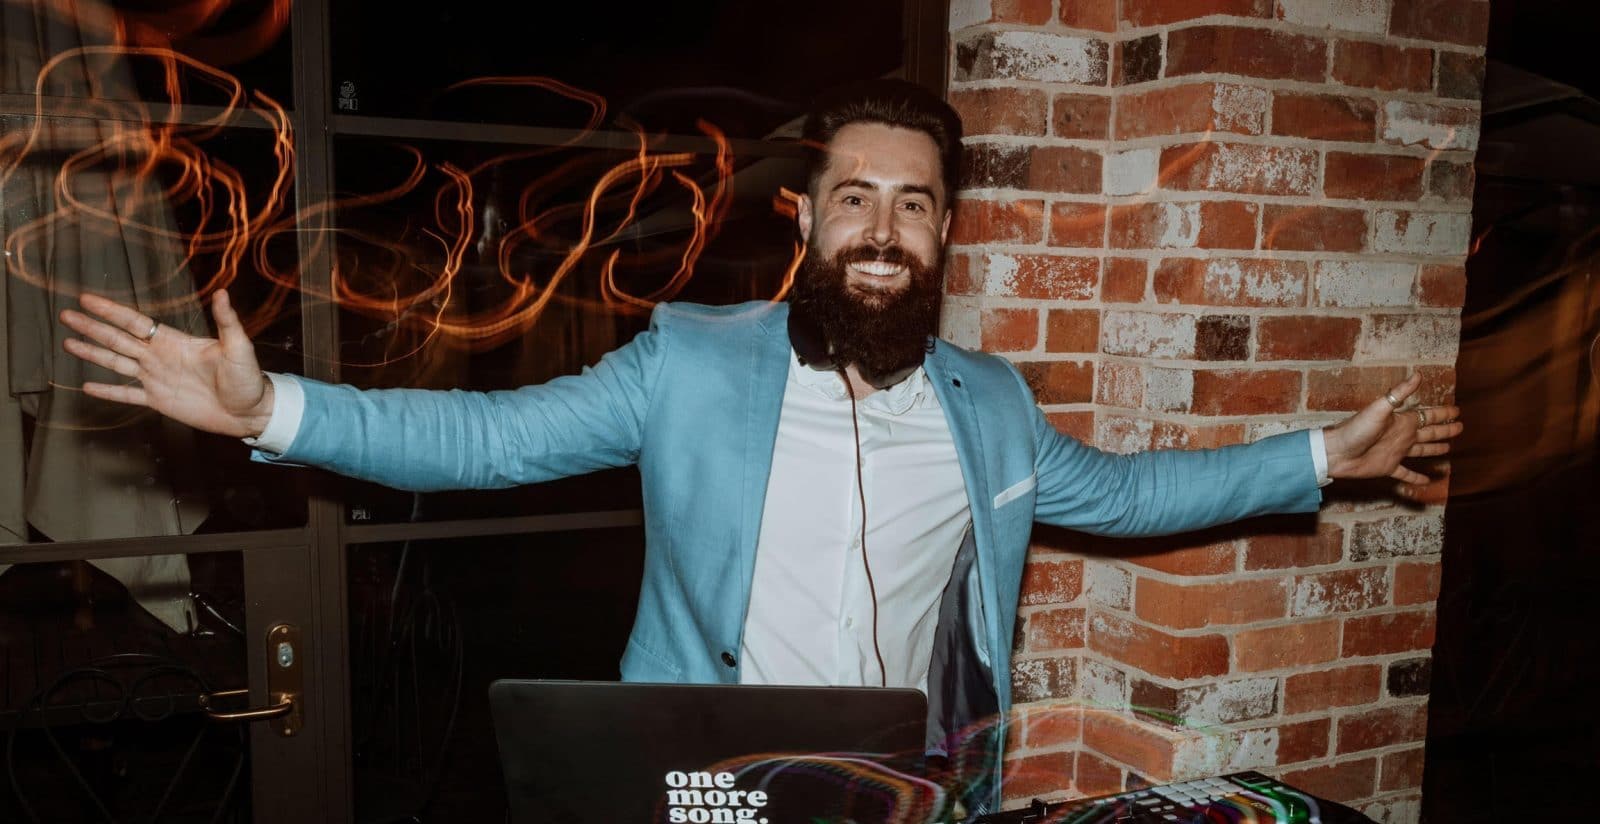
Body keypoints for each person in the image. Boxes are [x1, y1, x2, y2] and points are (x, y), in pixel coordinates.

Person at [57, 79, 1460, 815]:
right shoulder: (689, 363)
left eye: (915, 205)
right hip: (709, 781)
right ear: (803, 220)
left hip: (912, 790)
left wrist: (1326, 454)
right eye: (856, 198)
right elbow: (486, 440)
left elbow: (1139, 489)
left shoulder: (995, 406)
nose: (884, 230)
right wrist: (267, 413)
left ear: (945, 231)